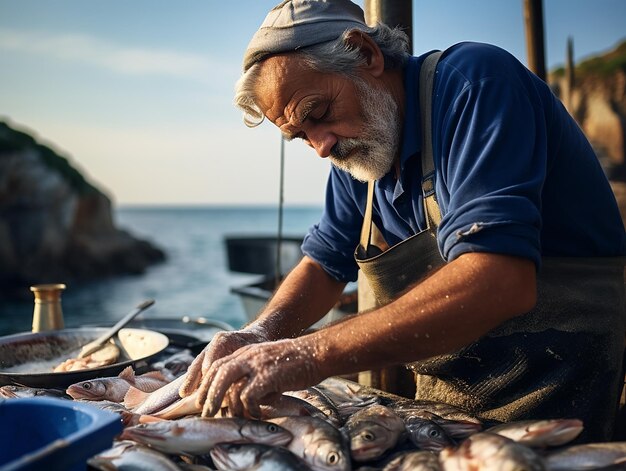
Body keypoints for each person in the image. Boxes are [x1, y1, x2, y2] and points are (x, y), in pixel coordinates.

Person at [181, 0, 626, 441]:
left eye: (317, 114)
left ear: (366, 54)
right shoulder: (360, 151)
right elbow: (323, 265)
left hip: (564, 385)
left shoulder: (474, 82)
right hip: (450, 405)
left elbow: (500, 278)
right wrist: (256, 335)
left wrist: (308, 354)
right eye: (301, 136)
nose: (320, 146)